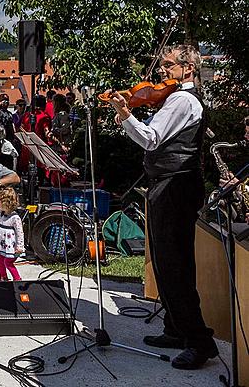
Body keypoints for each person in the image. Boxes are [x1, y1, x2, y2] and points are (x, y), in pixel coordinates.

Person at [107, 44, 217, 370]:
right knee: (168, 263)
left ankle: (200, 342)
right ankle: (175, 329)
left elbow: (151, 138)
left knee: (174, 267)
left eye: (168, 65)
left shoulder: (182, 99)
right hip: (172, 186)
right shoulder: (176, 97)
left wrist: (127, 117)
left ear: (188, 69)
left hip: (174, 187)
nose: (162, 71)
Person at [0, 187, 24, 281]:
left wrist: (20, 246)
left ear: (5, 203)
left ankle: (17, 279)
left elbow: (20, 233)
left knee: (8, 262)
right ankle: (3, 277)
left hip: (11, 246)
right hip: (1, 244)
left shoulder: (15, 218)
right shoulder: (1, 214)